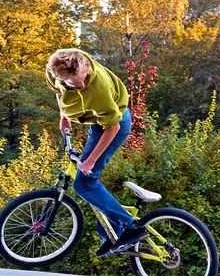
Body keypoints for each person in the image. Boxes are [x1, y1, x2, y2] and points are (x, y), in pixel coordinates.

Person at [46, 48, 148, 257]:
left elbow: (113, 128)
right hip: (98, 122)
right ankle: (112, 236)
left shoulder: (99, 89)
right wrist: (63, 115)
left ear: (87, 68)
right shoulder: (55, 70)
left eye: (83, 79)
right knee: (88, 184)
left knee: (84, 183)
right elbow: (58, 91)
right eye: (74, 83)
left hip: (116, 123)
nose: (81, 85)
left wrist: (90, 161)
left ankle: (130, 227)